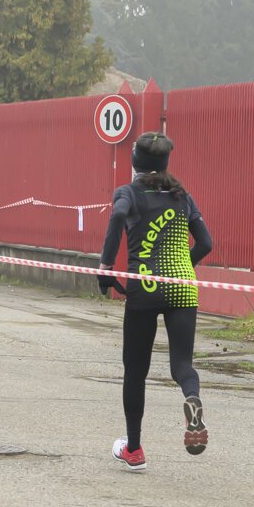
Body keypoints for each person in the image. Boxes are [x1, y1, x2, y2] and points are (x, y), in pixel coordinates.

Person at [95, 132, 214, 471]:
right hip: (181, 286)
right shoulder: (182, 196)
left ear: (135, 162)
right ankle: (192, 399)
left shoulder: (128, 193)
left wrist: (106, 267)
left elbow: (117, 216)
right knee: (182, 365)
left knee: (135, 371)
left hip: (144, 288)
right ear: (164, 162)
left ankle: (133, 449)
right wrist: (181, 268)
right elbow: (206, 243)